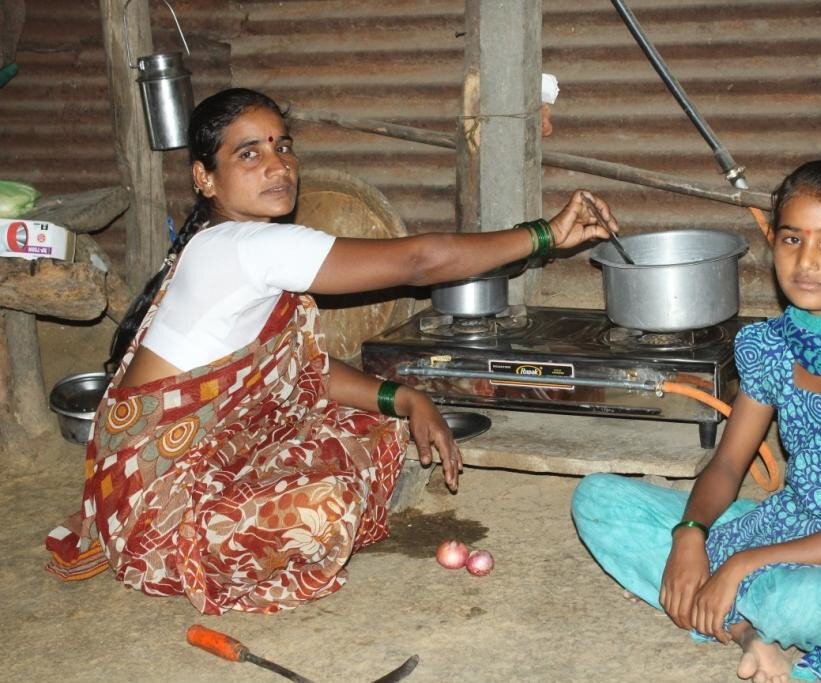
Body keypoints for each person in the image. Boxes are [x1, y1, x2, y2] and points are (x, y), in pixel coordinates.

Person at [45, 87, 619, 615]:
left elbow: (301, 371)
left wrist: (406, 397)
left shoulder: (233, 246)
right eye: (249, 154)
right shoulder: (239, 248)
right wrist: (546, 235)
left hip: (209, 456)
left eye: (283, 147)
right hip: (157, 497)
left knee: (380, 425)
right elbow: (420, 261)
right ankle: (191, 543)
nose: (278, 165)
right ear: (205, 178)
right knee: (324, 511)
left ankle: (276, 493)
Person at [571, 159, 821, 682]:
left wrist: (742, 563)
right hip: (789, 521)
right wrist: (690, 534)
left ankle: (736, 607)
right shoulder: (774, 346)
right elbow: (726, 464)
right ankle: (748, 632)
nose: (807, 262)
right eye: (792, 240)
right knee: (597, 499)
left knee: (801, 607)